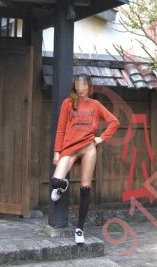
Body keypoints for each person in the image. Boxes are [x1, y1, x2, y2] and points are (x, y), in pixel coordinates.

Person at [50, 73, 120, 244]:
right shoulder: (68, 103)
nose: (80, 89)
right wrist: (57, 151)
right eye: (78, 85)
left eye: (83, 85)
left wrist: (102, 138)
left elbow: (114, 121)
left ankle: (80, 229)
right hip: (69, 147)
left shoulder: (95, 105)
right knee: (56, 181)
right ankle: (63, 186)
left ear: (89, 87)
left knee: (85, 187)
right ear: (74, 87)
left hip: (88, 148)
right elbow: (60, 129)